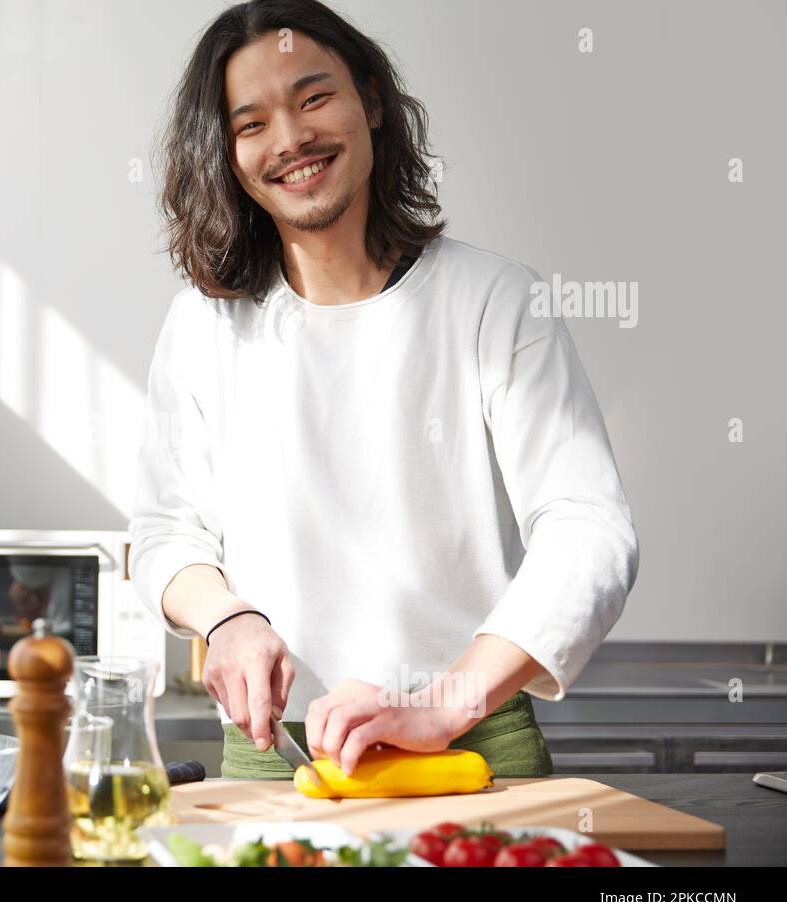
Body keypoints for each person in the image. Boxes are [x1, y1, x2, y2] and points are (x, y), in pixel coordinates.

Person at [129, 0, 640, 779]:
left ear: (370, 100)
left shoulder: (495, 300)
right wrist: (228, 618)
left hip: (470, 744)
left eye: (313, 97)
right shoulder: (203, 326)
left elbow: (589, 529)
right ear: (228, 155)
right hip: (279, 754)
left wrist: (446, 702)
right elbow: (168, 531)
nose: (293, 139)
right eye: (251, 123)